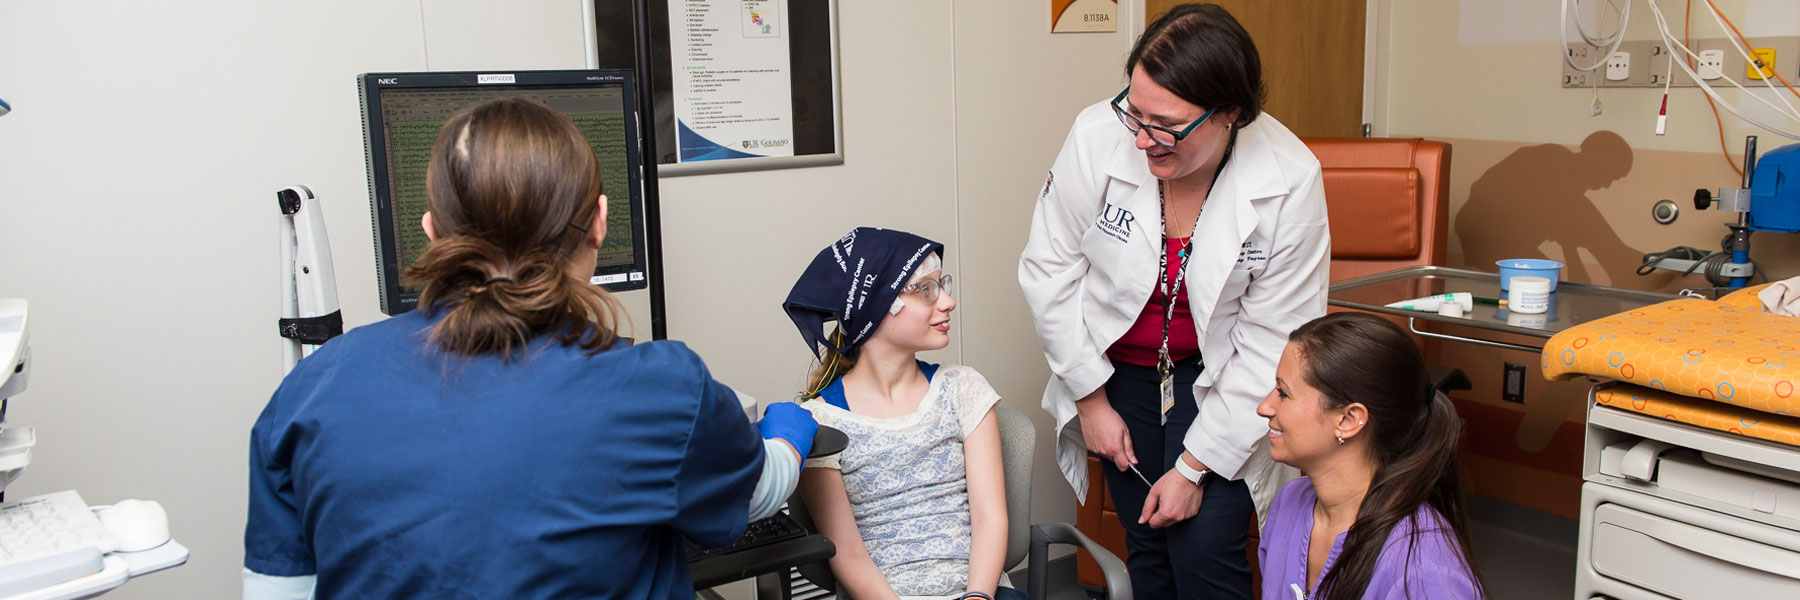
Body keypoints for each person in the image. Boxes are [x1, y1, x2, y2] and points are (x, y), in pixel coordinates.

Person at [242, 98, 817, 599]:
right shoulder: (659, 386)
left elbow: (278, 590)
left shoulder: (312, 387)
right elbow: (755, 494)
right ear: (599, 221)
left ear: (433, 231)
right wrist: (790, 429)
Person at [1018, 3, 1328, 597]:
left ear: (1231, 112)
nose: (1141, 139)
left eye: (1166, 125)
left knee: (1206, 548)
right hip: (1118, 376)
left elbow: (1273, 341)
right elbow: (1049, 270)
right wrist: (1090, 400)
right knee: (1147, 547)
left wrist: (1193, 468)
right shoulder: (1096, 137)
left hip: (1227, 378)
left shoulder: (1289, 179)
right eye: (1134, 113)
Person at [784, 228, 1021, 600]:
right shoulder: (820, 421)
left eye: (941, 285)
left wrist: (977, 597)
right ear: (876, 305)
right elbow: (847, 554)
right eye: (926, 290)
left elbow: (990, 519)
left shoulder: (963, 388)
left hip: (979, 593)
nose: (947, 301)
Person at [1254, 313, 1485, 599]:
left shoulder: (1423, 569)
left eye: (1283, 393)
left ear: (1349, 419)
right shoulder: (1290, 503)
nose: (1264, 407)